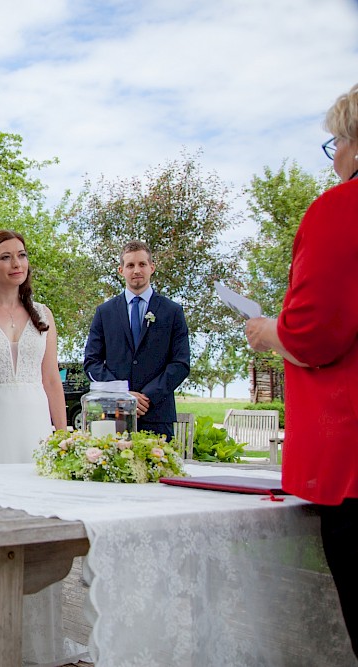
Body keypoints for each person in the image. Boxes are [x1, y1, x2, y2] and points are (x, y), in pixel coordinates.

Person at [245, 83, 358, 658]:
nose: (334, 155)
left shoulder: (342, 208)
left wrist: (271, 331)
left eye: (335, 141)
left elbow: (317, 331)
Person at [0, 230, 80, 665]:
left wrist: (63, 435)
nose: (16, 263)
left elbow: (51, 381)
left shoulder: (43, 314)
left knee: (35, 527)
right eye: (5, 257)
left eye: (22, 256)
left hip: (33, 427)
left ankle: (38, 641)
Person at [83, 240, 190, 439]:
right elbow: (92, 362)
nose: (136, 270)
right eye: (130, 265)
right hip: (113, 415)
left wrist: (147, 396)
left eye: (142, 264)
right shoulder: (105, 312)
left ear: (152, 267)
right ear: (121, 270)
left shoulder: (172, 311)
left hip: (157, 415)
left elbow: (180, 363)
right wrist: (122, 394)